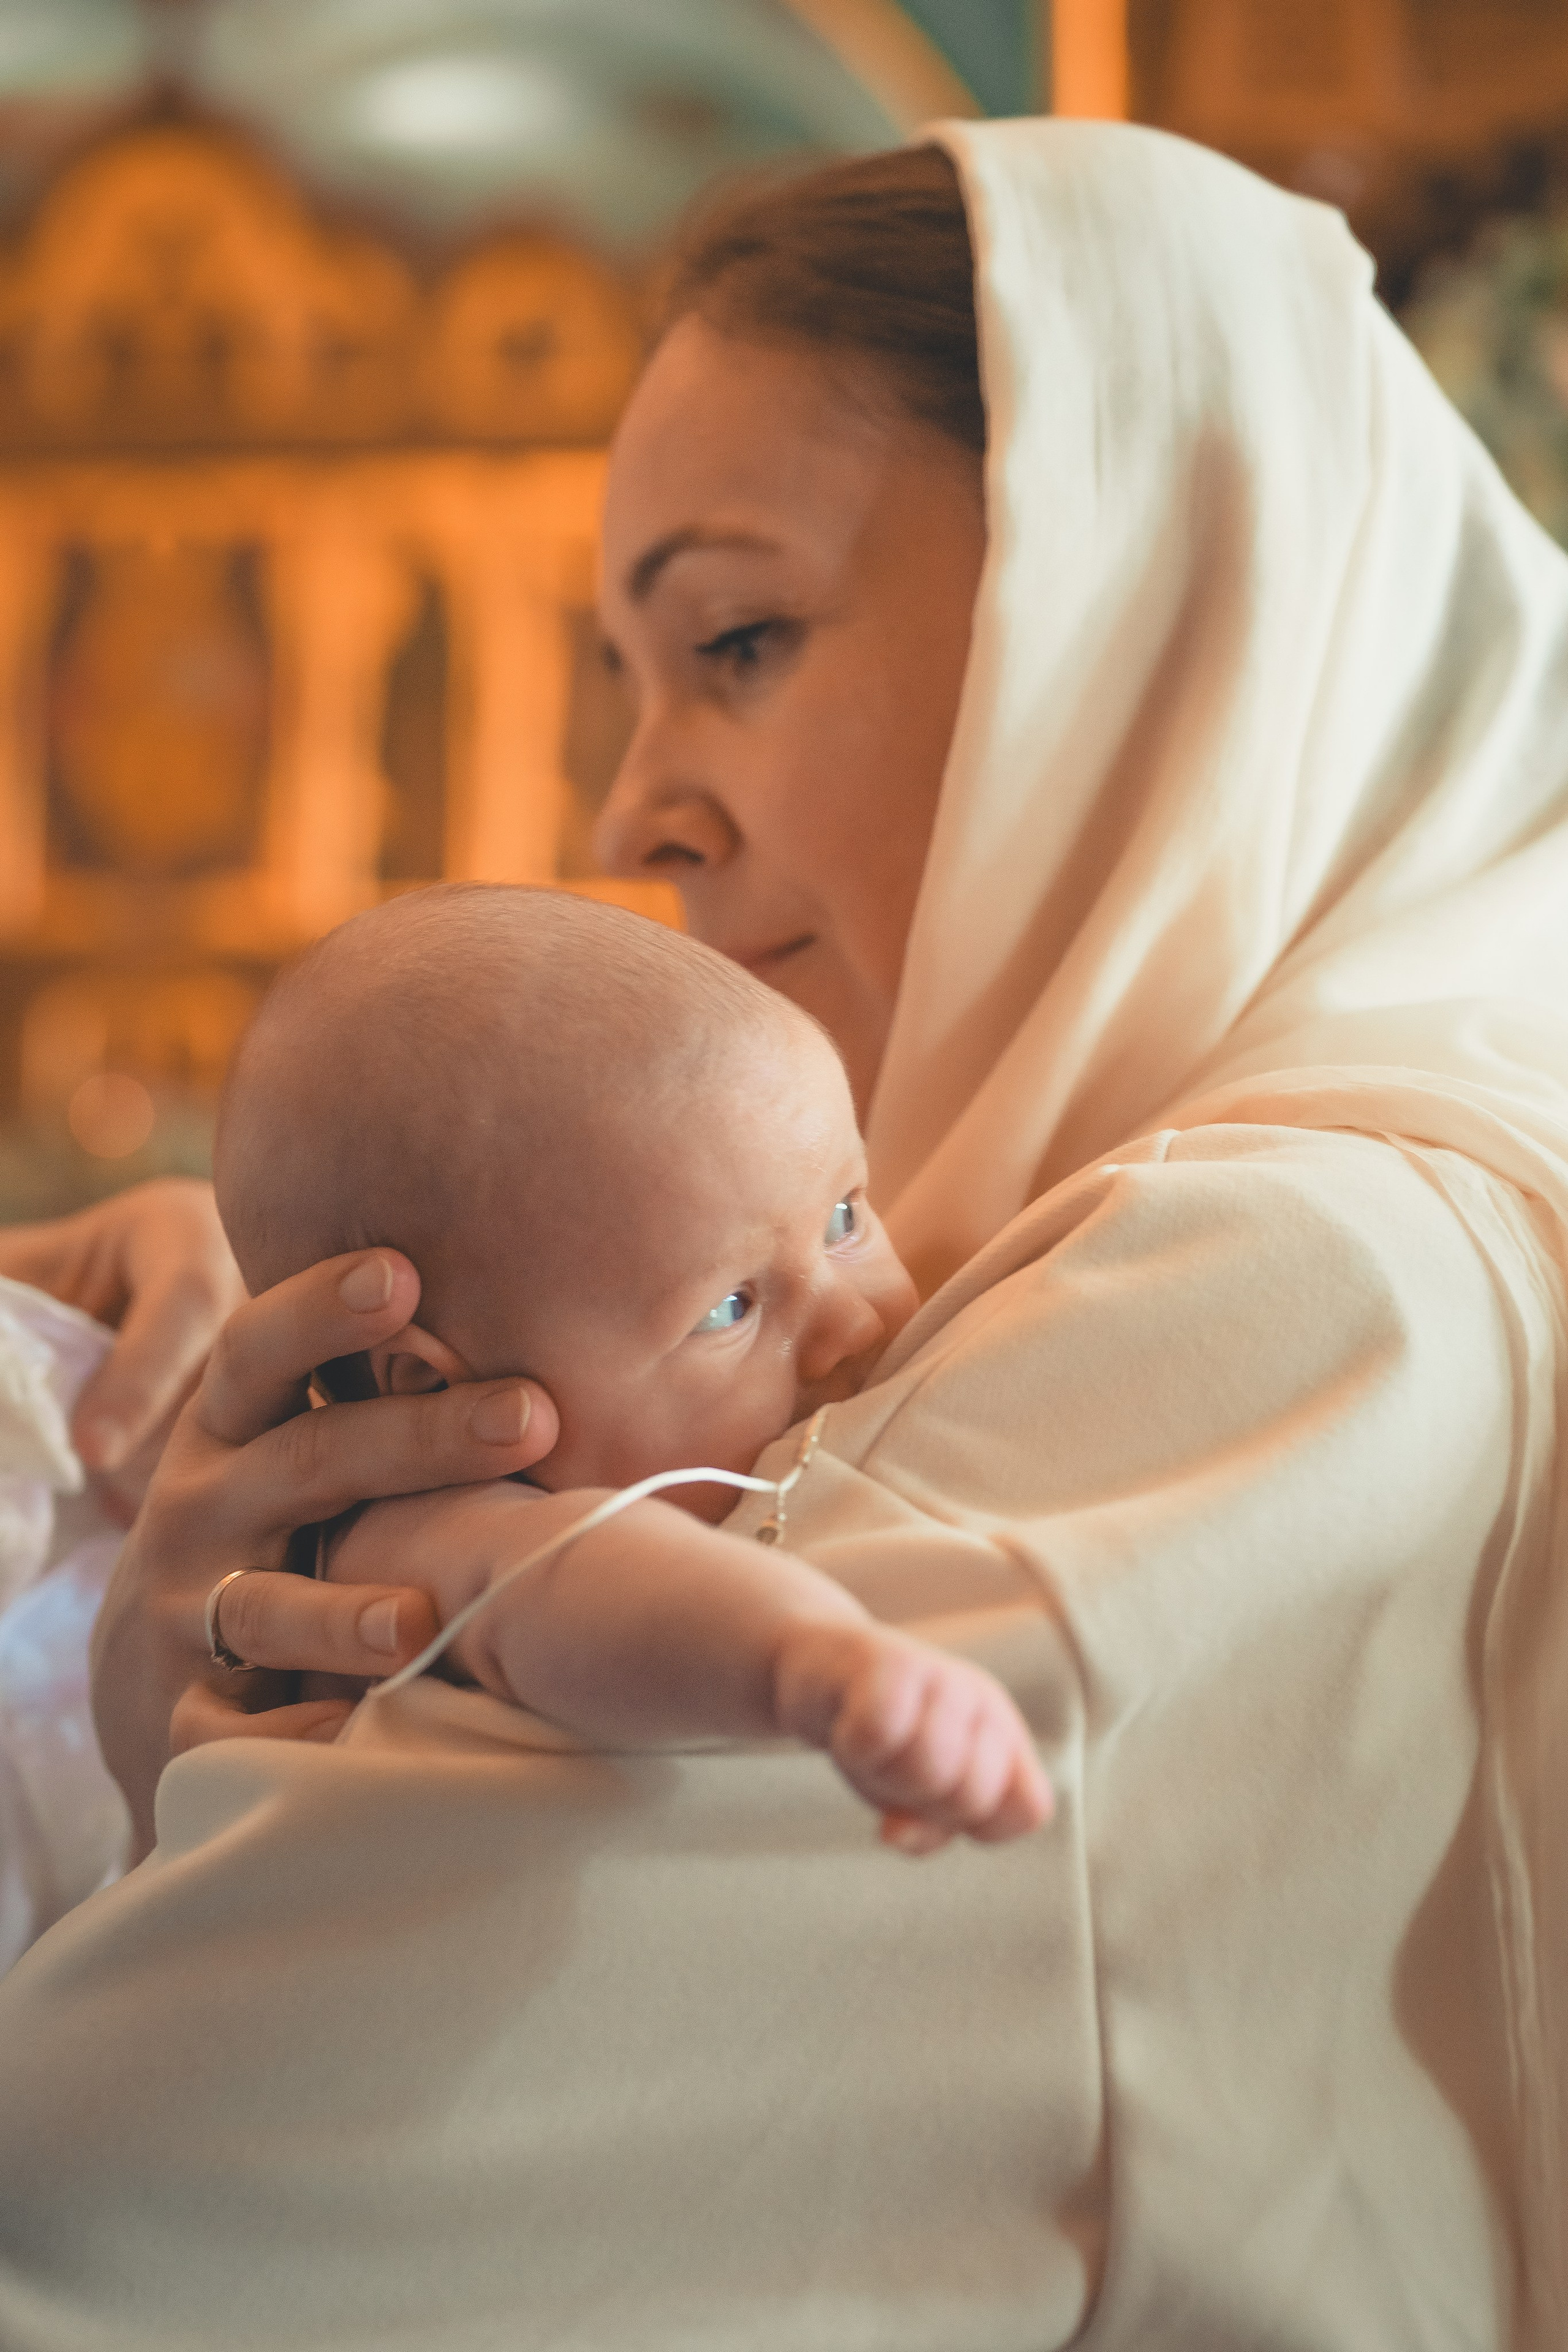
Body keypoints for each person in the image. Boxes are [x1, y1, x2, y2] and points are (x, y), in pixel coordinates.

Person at [1, 115, 1567, 2351]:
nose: (632, 806)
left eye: (735, 635)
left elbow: (153, 2188)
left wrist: (212, 1812)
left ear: (1137, 593)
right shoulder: (1425, 1171)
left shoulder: (1278, 1297)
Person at [212, 883, 1049, 1851]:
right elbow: (590, 1586)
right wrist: (813, 1660)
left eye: (843, 1218)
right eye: (729, 1308)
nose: (853, 1323)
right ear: (440, 1393)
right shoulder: (407, 1541)